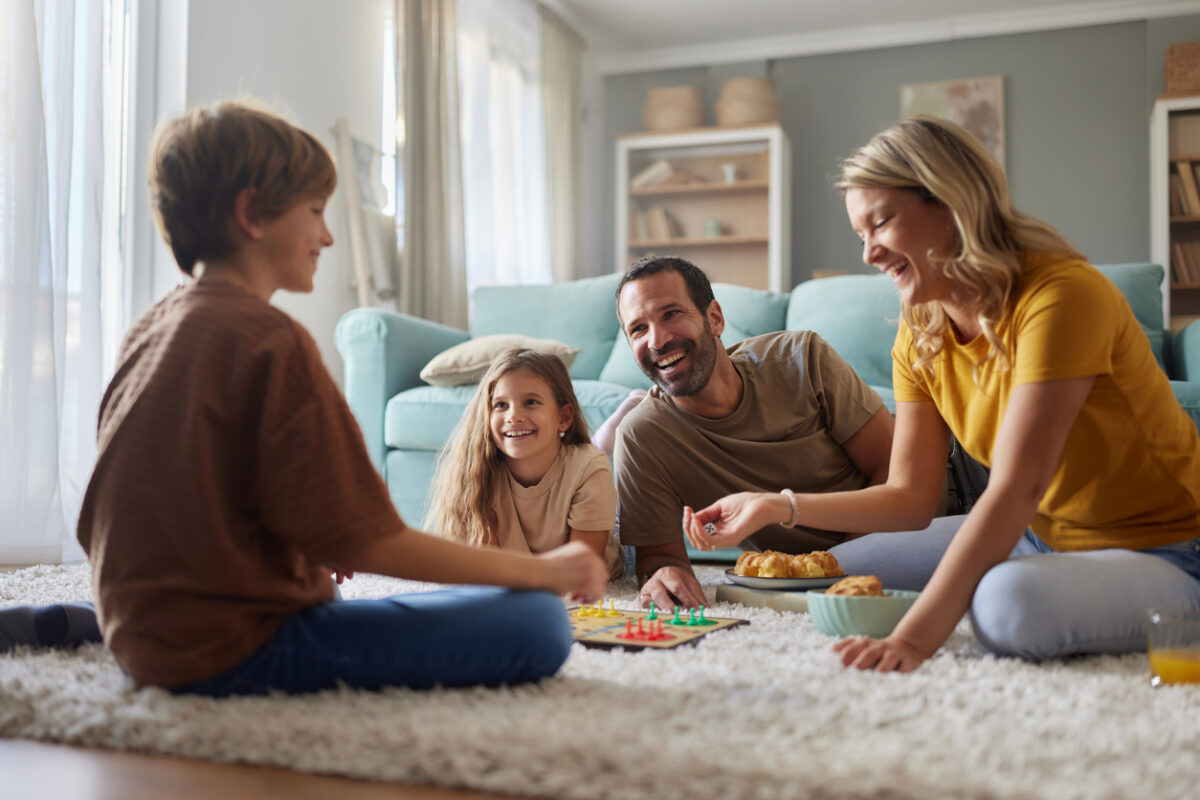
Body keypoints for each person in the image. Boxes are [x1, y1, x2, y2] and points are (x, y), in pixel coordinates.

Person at [0, 99, 606, 696]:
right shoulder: (270, 340)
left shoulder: (153, 327)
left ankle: (82, 619)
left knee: (352, 591)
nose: (329, 235)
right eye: (315, 210)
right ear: (252, 214)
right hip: (228, 651)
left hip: (139, 628)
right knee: (538, 622)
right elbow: (369, 543)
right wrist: (541, 571)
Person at [684, 115, 1200, 671]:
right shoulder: (922, 327)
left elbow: (1016, 488)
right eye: (860, 234)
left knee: (1004, 606)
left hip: (1167, 549)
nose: (869, 253)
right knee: (831, 571)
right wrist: (777, 506)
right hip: (1039, 535)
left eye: (881, 223)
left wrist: (913, 639)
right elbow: (912, 496)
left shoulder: (1061, 296)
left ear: (952, 203)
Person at [613, 255, 897, 611]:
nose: (657, 340)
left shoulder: (802, 360)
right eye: (638, 329)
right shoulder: (641, 437)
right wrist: (663, 574)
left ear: (714, 318)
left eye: (671, 314)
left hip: (949, 492)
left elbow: (893, 469)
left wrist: (833, 569)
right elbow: (658, 557)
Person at [426, 348, 624, 579]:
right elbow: (476, 570)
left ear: (564, 418)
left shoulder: (589, 468)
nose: (513, 416)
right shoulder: (477, 472)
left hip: (609, 550)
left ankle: (610, 435)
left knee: (597, 468)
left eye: (530, 402)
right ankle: (602, 439)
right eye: (500, 405)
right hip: (536, 568)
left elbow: (579, 571)